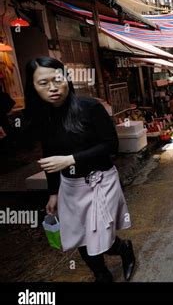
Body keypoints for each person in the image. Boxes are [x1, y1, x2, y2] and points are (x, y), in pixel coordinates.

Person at [24, 57, 135, 283]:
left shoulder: (90, 107)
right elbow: (49, 158)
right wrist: (53, 192)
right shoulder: (43, 118)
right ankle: (101, 275)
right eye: (43, 83)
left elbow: (111, 145)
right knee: (80, 236)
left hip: (101, 181)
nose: (52, 88)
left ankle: (123, 249)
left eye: (57, 79)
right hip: (70, 187)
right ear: (33, 88)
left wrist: (70, 160)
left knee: (99, 236)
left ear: (67, 79)